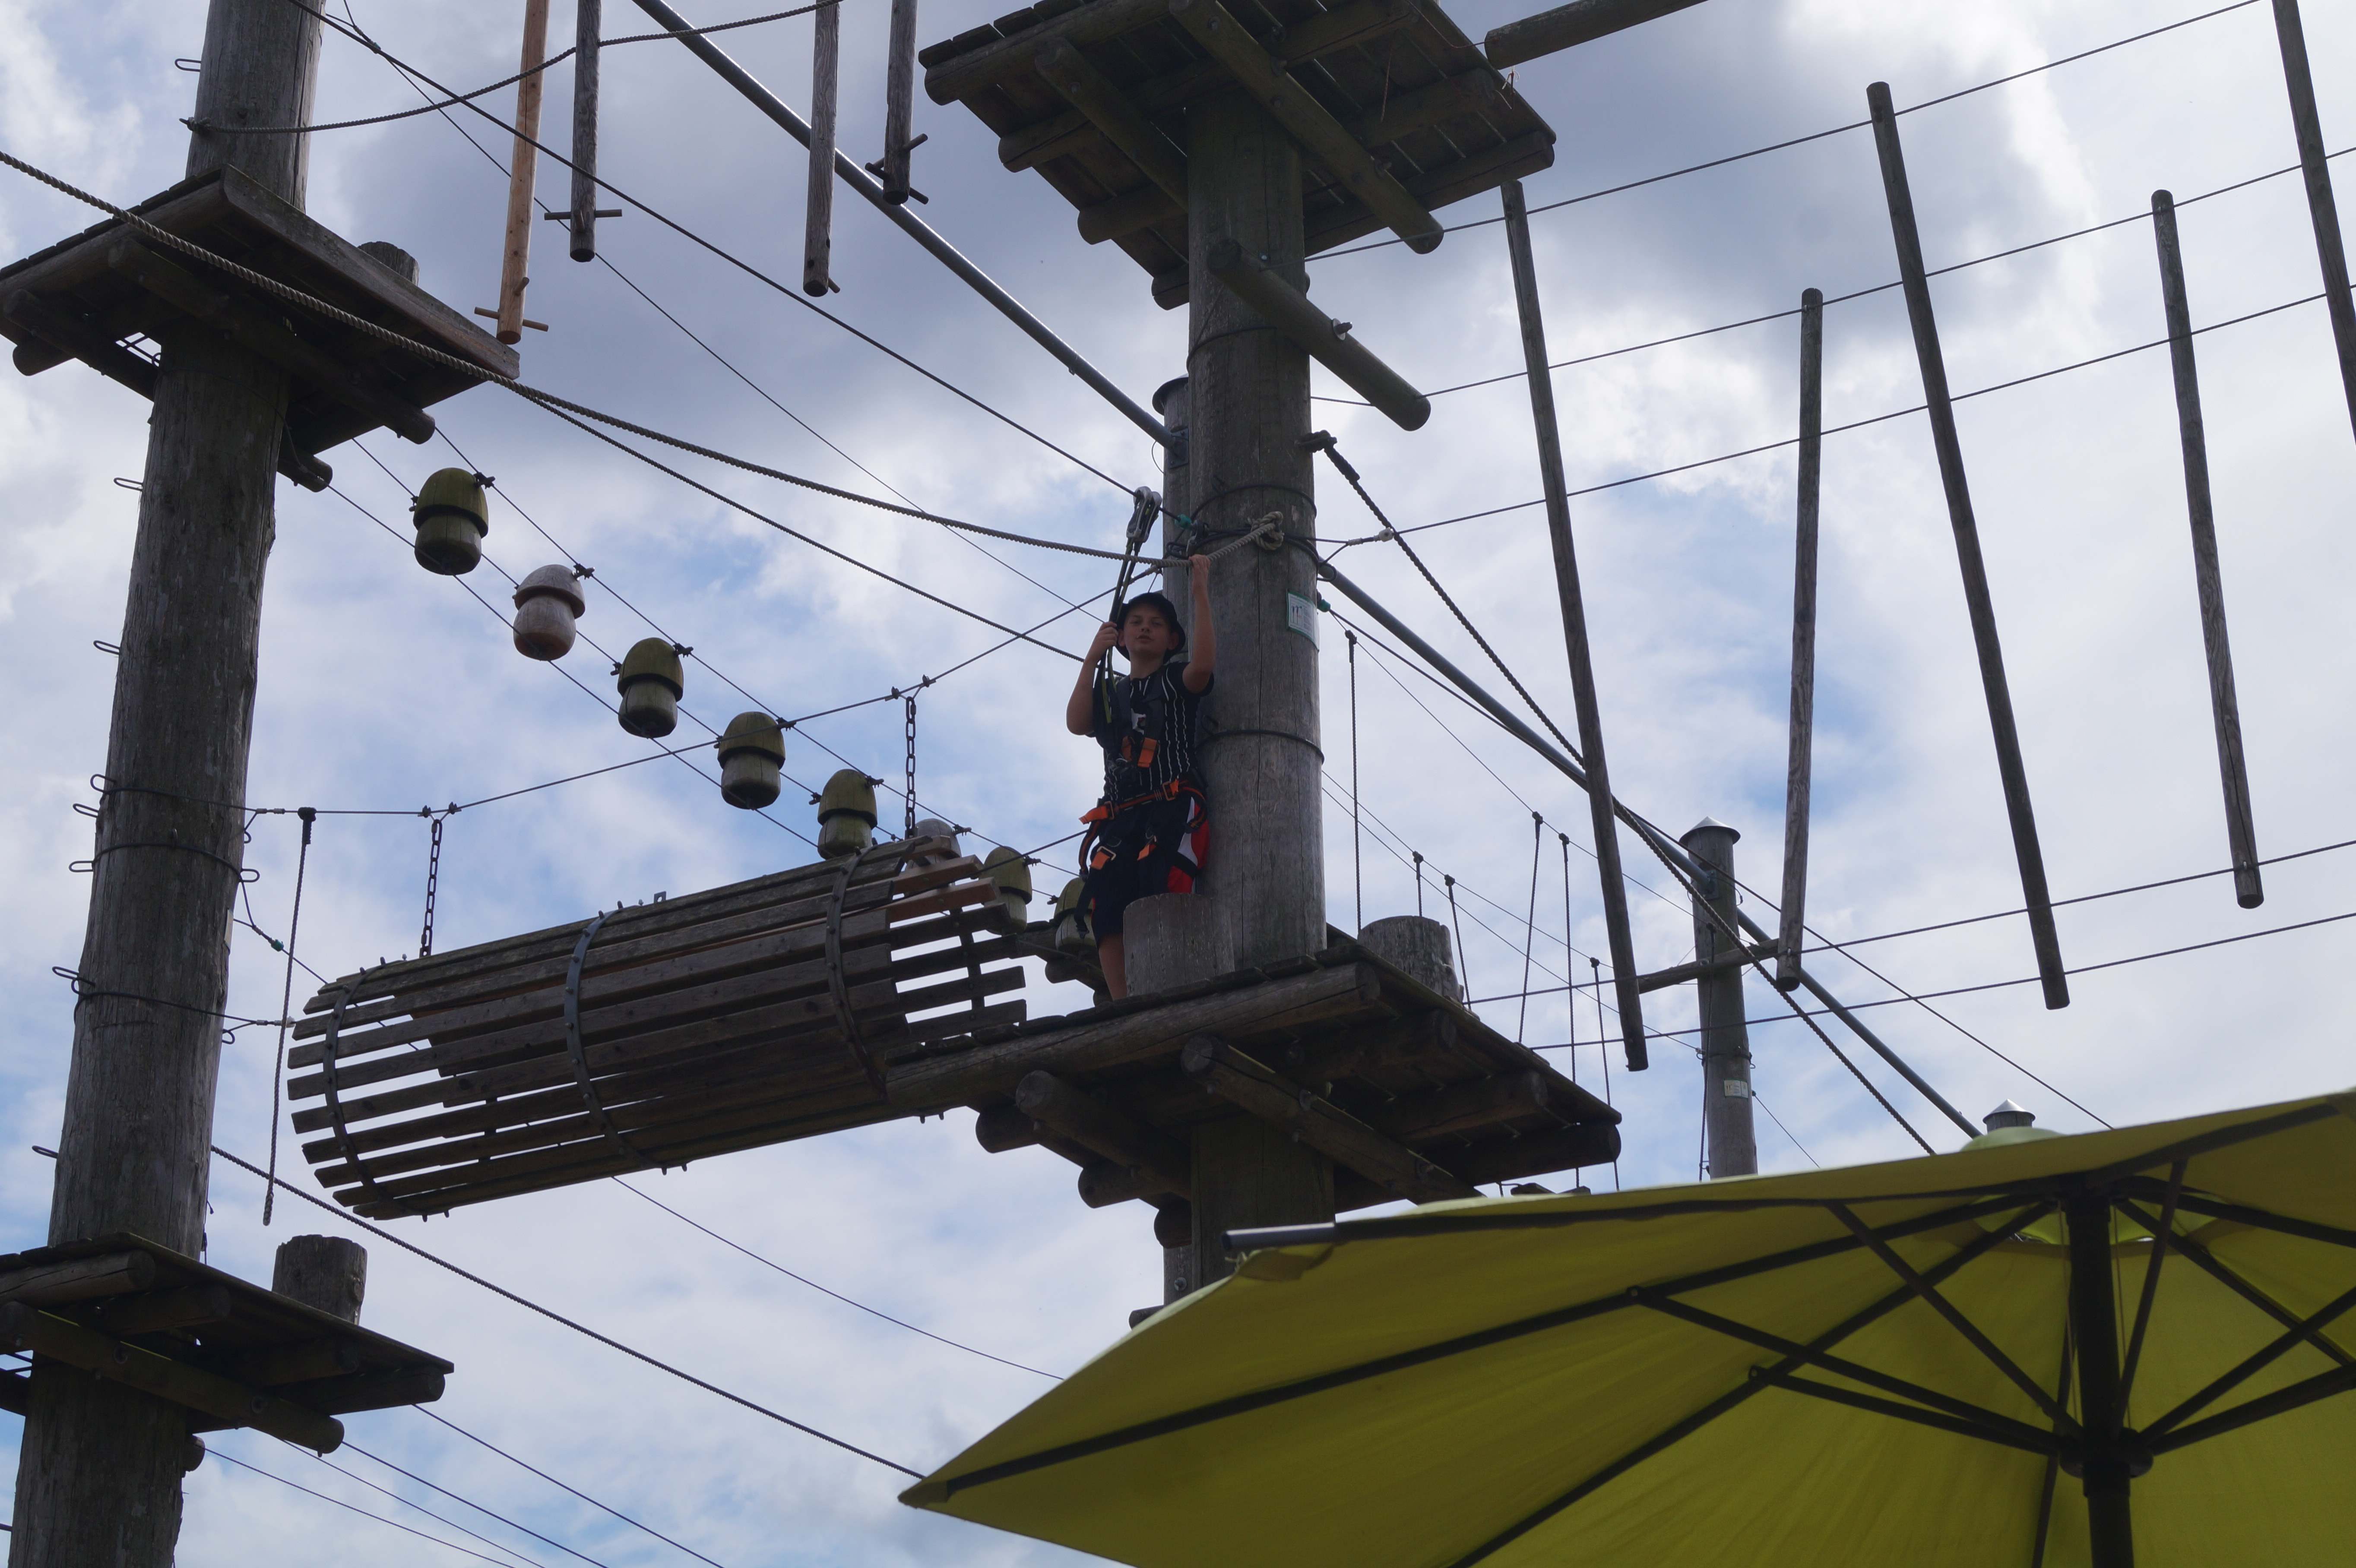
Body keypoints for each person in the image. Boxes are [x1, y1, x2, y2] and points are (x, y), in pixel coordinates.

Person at [1063, 557, 1216, 999]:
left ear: (1172, 640)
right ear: (1122, 638)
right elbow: (1077, 722)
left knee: (1164, 887)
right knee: (1106, 903)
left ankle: (1173, 987)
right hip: (1121, 819)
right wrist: (1092, 657)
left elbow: (1203, 666)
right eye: (1135, 623)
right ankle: (1123, 1001)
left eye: (1156, 624)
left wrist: (1200, 593)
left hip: (1171, 806)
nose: (1145, 628)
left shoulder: (1174, 679)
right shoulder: (1113, 695)